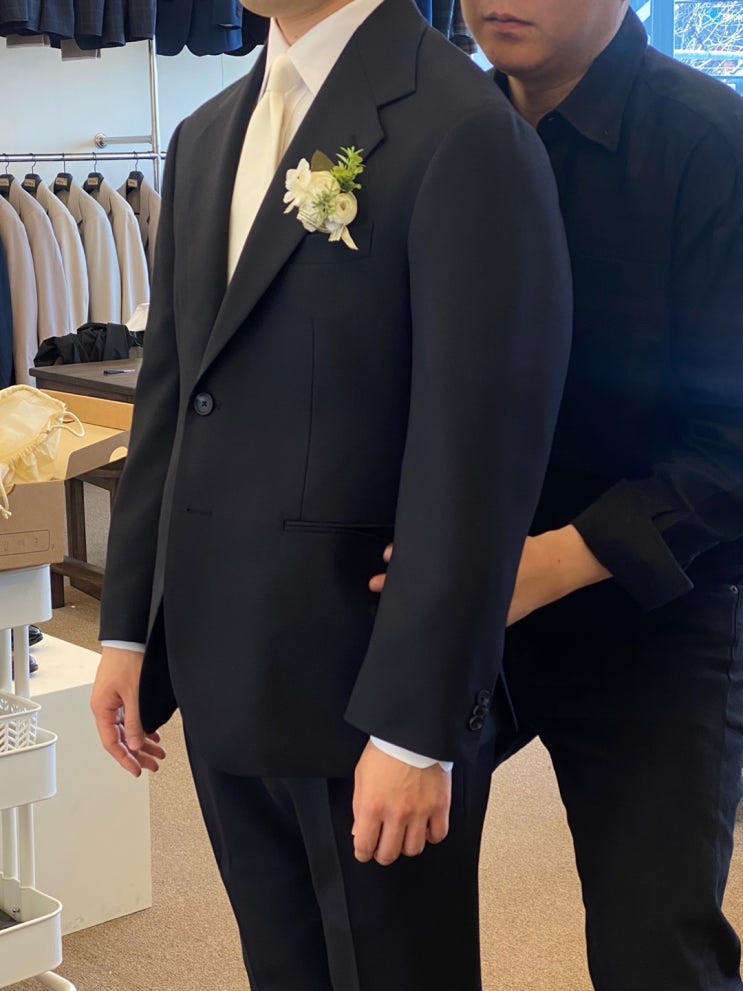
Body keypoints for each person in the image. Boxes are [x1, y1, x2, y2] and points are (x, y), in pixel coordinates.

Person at [89, 0, 572, 986]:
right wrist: (129, 628)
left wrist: (415, 726)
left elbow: (478, 456)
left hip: (363, 685)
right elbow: (174, 395)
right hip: (224, 670)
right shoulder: (204, 136)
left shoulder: (465, 132)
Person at [373, 1, 743, 987]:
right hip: (458, 594)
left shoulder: (711, 145)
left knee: (654, 948)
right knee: (377, 897)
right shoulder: (429, 128)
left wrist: (545, 564)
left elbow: (733, 445)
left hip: (656, 610)